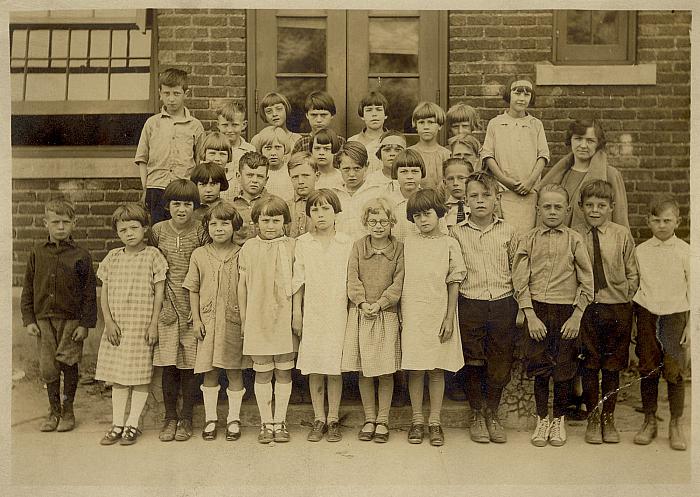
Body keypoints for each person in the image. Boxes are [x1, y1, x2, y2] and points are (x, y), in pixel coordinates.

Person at [512, 184, 593, 447]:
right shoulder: (529, 239)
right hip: (538, 311)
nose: (552, 211)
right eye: (547, 206)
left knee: (563, 369)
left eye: (558, 206)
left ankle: (558, 419)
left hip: (566, 312)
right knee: (540, 369)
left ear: (567, 210)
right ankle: (541, 419)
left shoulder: (574, 239)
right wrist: (530, 315)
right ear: (538, 209)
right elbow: (520, 280)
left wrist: (576, 316)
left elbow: (587, 282)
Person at [450, 172, 519, 444]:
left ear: (496, 199)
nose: (480, 201)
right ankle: (477, 413)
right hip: (470, 302)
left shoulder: (508, 231)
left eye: (486, 196)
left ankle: (493, 413)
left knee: (499, 362)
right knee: (473, 359)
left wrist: (521, 306)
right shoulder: (455, 233)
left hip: (502, 301)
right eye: (474, 196)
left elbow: (518, 270)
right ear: (465, 200)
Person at [21, 199, 97, 433]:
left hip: (71, 320)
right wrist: (28, 319)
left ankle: (68, 410)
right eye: (55, 222)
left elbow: (89, 293)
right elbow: (28, 288)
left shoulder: (81, 255)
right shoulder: (37, 253)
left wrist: (85, 324)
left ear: (74, 223)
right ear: (46, 223)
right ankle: (53, 411)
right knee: (48, 367)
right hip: (44, 320)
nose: (61, 227)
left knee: (69, 362)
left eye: (66, 222)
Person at [95, 203, 167, 446]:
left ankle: (133, 423)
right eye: (123, 230)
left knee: (139, 376)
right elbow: (103, 293)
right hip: (118, 327)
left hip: (141, 326)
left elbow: (159, 294)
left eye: (134, 228)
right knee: (118, 377)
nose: (129, 234)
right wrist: (108, 322)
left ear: (144, 228)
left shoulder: (153, 256)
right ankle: (117, 423)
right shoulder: (112, 257)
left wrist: (154, 323)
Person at [574, 180, 639, 444]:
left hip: (617, 308)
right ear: (581, 207)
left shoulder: (621, 234)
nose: (595, 210)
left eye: (601, 205)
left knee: (612, 367)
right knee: (589, 365)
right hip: (588, 308)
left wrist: (624, 298)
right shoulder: (575, 234)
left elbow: (633, 272)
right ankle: (592, 417)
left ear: (611, 207)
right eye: (589, 205)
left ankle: (608, 419)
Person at [401, 189, 466, 447]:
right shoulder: (408, 241)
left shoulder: (449, 243)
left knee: (436, 368)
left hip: (438, 311)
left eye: (427, 214)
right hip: (413, 312)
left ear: (439, 213)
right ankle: (417, 419)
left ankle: (435, 421)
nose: (423, 220)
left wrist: (449, 317)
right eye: (417, 216)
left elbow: (454, 282)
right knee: (416, 367)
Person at [184, 202, 251, 442]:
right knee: (209, 372)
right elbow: (193, 288)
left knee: (234, 371)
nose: (219, 229)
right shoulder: (200, 254)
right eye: (214, 224)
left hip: (233, 321)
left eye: (225, 224)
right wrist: (197, 319)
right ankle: (211, 419)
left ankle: (234, 419)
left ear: (234, 227)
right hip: (209, 323)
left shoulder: (243, 253)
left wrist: (245, 320)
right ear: (207, 227)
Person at [292, 189, 353, 442]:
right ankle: (319, 417)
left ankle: (333, 418)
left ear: (336, 212)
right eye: (315, 209)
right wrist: (297, 312)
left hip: (339, 311)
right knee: (316, 365)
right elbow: (299, 281)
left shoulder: (347, 242)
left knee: (334, 367)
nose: (320, 214)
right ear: (308, 215)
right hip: (314, 312)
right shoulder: (304, 242)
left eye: (326, 208)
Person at [341, 198, 404, 443]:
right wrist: (362, 303)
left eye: (383, 221)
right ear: (366, 223)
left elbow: (398, 282)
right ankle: (369, 418)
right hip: (362, 314)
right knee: (365, 371)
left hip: (385, 315)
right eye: (373, 221)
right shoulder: (358, 246)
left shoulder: (398, 248)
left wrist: (381, 303)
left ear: (391, 223)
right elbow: (352, 278)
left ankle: (383, 420)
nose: (378, 226)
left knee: (385, 371)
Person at [151, 179, 207, 443]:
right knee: (169, 364)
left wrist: (197, 310)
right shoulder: (158, 231)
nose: (182, 209)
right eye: (176, 204)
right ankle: (169, 416)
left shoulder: (200, 231)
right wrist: (160, 306)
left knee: (190, 365)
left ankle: (186, 417)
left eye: (187, 204)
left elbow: (205, 270)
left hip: (192, 307)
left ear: (195, 206)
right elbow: (151, 270)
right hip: (166, 308)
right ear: (167, 206)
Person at [632, 195, 690, 451]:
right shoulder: (641, 251)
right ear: (648, 222)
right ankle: (649, 420)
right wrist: (636, 323)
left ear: (678, 221)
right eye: (656, 221)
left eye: (667, 220)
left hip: (676, 317)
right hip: (647, 314)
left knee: (675, 371)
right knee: (648, 368)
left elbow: (694, 292)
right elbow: (636, 288)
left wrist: (690, 326)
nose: (662, 225)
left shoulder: (686, 252)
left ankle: (675, 424)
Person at [238, 196, 297, 444]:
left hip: (285, 314)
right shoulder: (249, 248)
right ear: (256, 222)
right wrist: (243, 318)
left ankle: (280, 421)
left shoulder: (293, 245)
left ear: (285, 221)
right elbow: (242, 286)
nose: (270, 225)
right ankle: (266, 422)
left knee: (283, 370)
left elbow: (299, 283)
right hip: (258, 315)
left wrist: (297, 313)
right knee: (263, 372)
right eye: (265, 220)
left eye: (276, 220)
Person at [135, 68, 204, 225]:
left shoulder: (195, 126)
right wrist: (145, 188)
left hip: (184, 188)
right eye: (166, 93)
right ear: (160, 93)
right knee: (158, 231)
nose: (171, 99)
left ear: (185, 94)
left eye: (176, 93)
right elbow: (142, 159)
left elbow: (200, 161)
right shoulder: (152, 123)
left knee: (185, 230)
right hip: (156, 188)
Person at [481, 76, 549, 233]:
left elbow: (543, 156)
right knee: (505, 233)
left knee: (527, 234)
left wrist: (530, 181)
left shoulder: (535, 125)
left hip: (529, 192)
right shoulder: (496, 123)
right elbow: (488, 155)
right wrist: (505, 180)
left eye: (526, 94)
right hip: (504, 191)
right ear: (508, 94)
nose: (522, 98)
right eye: (517, 93)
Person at [538, 118, 629, 228]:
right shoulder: (560, 174)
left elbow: (620, 217)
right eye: (578, 139)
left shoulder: (610, 174)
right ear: (570, 140)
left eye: (590, 141)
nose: (583, 145)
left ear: (598, 144)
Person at [332, 141, 384, 241]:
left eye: (357, 168)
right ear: (338, 167)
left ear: (366, 166)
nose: (351, 174)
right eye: (346, 169)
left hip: (368, 250)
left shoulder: (377, 193)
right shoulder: (334, 194)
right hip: (341, 249)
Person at [215, 100, 256, 196]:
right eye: (225, 125)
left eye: (234, 125)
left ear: (244, 125)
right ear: (218, 125)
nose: (229, 130)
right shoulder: (212, 150)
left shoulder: (250, 150)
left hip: (242, 200)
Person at [407, 101, 451, 189]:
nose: (426, 127)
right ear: (415, 125)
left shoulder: (446, 155)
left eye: (430, 122)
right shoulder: (409, 153)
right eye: (421, 122)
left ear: (439, 126)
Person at [231, 151, 270, 246]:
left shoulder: (273, 204)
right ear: (239, 176)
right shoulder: (230, 207)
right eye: (249, 175)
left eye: (260, 176)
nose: (254, 180)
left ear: (266, 180)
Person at [348, 91, 389, 174]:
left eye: (378, 109)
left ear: (385, 115)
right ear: (362, 115)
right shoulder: (353, 141)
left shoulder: (393, 140)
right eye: (369, 110)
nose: (374, 114)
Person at [286, 152, 319, 238]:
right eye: (295, 177)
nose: (300, 181)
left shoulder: (324, 206)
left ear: (317, 176)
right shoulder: (285, 207)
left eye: (305, 175)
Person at [256, 125, 294, 202]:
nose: (273, 153)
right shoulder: (258, 172)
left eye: (278, 147)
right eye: (268, 148)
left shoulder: (291, 172)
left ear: (285, 149)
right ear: (261, 150)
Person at [443, 158, 472, 229]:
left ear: (471, 180)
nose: (455, 183)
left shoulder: (479, 206)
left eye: (461, 178)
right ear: (445, 183)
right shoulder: (442, 210)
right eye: (450, 179)